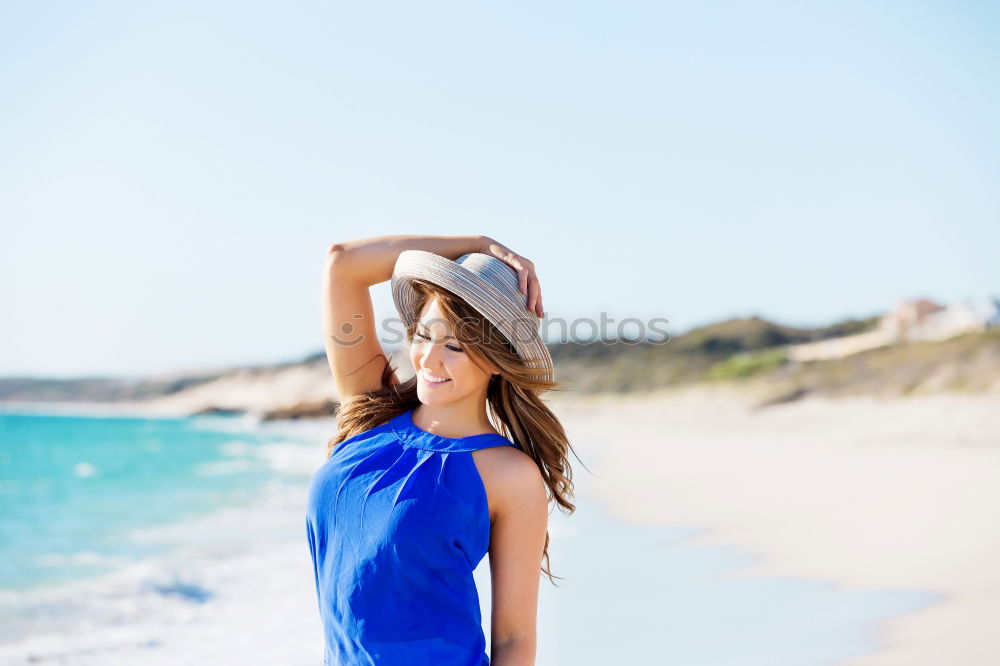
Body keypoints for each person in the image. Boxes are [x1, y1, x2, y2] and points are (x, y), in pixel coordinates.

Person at [305, 234, 577, 666]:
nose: (429, 360)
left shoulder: (509, 475)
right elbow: (343, 263)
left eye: (454, 346)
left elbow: (514, 638)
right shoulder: (369, 413)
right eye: (422, 335)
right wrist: (480, 244)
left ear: (496, 357)